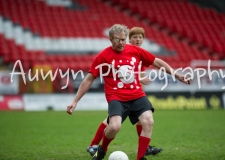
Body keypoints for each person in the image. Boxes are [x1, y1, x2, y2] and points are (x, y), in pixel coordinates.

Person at [67, 24, 190, 160]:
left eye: (123, 39)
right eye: (118, 40)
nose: (121, 43)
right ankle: (102, 150)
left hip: (137, 95)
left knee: (148, 121)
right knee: (114, 127)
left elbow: (157, 62)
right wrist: (75, 101)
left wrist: (176, 74)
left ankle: (140, 157)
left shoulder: (135, 50)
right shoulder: (103, 56)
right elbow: (89, 79)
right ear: (110, 39)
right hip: (116, 97)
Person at [86, 27, 162, 157]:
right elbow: (126, 74)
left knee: (143, 120)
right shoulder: (126, 52)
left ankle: (144, 149)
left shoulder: (139, 54)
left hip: (134, 94)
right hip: (119, 95)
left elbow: (137, 75)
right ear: (129, 39)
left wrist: (140, 81)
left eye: (140, 37)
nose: (138, 40)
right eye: (135, 37)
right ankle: (94, 145)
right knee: (111, 123)